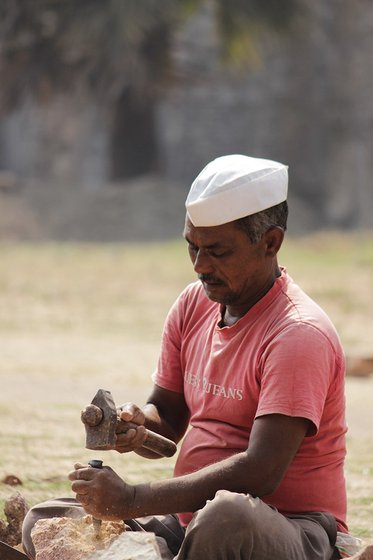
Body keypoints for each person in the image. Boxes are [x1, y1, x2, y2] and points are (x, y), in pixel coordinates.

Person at [23, 154, 351, 560]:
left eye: (217, 251)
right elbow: (169, 417)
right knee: (45, 520)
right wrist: (138, 424)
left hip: (285, 529)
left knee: (226, 516)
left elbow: (261, 471)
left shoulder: (298, 333)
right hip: (188, 524)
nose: (200, 265)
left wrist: (132, 500)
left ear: (271, 243)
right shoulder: (194, 304)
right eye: (192, 247)